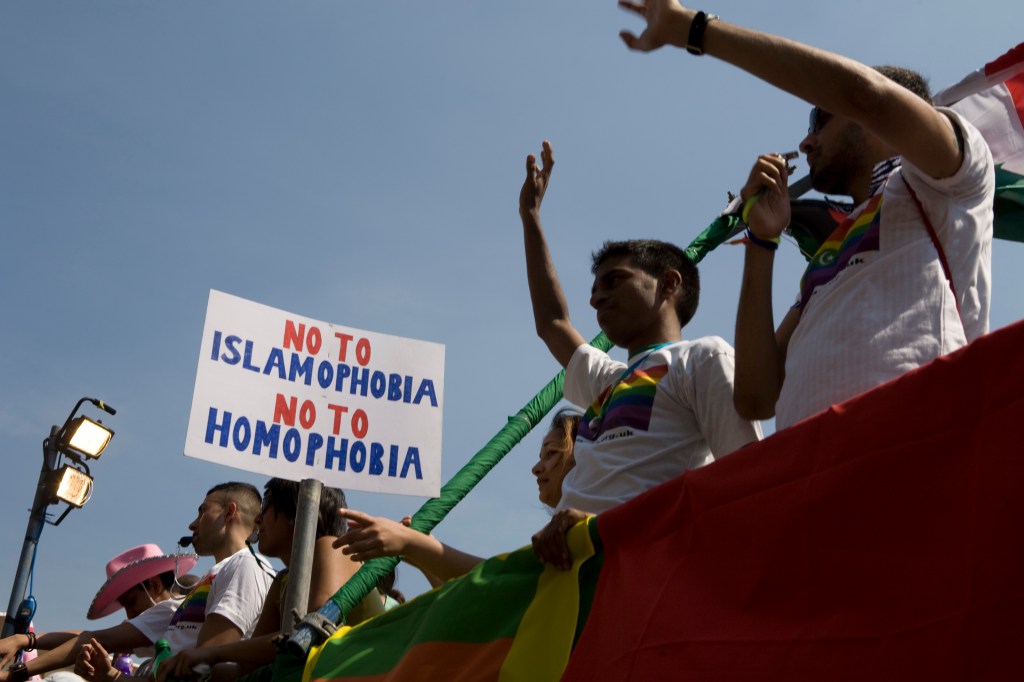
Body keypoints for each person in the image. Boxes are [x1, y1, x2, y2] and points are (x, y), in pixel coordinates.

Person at [618, 2, 994, 429]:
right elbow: (755, 397)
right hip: (814, 473)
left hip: (913, 441)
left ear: (874, 123)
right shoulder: (831, 251)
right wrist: (762, 241)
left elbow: (866, 96)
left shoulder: (943, 177)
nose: (806, 141)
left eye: (820, 118)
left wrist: (695, 29)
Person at [520, 140, 762, 568]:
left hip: (644, 579)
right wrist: (531, 218)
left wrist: (606, 526)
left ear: (669, 284)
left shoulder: (702, 360)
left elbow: (749, 482)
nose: (596, 299)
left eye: (614, 281)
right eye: (594, 289)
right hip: (570, 586)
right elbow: (552, 324)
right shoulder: (607, 382)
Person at [138, 479, 379, 682]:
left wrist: (210, 654)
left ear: (296, 514)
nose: (258, 520)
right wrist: (187, 667)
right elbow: (246, 667)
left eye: (266, 509)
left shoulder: (331, 547)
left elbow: (312, 633)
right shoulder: (283, 580)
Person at [334, 409, 583, 583]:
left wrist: (413, 544)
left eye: (551, 454)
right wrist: (418, 552)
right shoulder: (559, 538)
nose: (536, 468)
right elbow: (475, 595)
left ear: (583, 457)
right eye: (541, 456)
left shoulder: (586, 534)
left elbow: (503, 583)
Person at [68, 482, 275, 681]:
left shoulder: (245, 566)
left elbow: (200, 669)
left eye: (203, 511)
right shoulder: (213, 578)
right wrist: (112, 677)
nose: (192, 524)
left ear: (230, 512)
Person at [0, 545, 198, 682]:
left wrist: (15, 673)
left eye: (131, 602)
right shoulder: (164, 618)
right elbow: (86, 637)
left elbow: (95, 639)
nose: (129, 614)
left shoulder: (170, 610)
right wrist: (25, 640)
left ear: (154, 585)